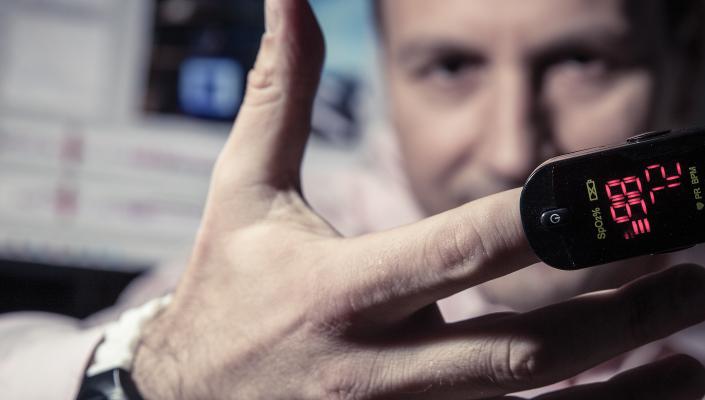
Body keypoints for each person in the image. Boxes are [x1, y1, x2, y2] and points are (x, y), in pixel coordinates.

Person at [3, 0, 705, 398]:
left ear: (683, 65)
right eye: (450, 67)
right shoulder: (279, 267)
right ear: (385, 78)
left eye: (582, 61)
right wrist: (162, 373)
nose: (510, 148)